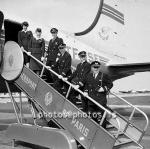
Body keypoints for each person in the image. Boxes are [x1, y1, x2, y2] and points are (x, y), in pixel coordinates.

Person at [83, 61, 113, 128]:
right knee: (92, 117)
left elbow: (110, 84)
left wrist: (104, 88)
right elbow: (87, 85)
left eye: (97, 67)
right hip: (91, 101)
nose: (96, 69)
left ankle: (103, 131)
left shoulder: (103, 75)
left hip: (100, 101)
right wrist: (85, 91)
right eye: (94, 67)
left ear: (99, 67)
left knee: (101, 118)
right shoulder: (89, 76)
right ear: (91, 67)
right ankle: (93, 130)